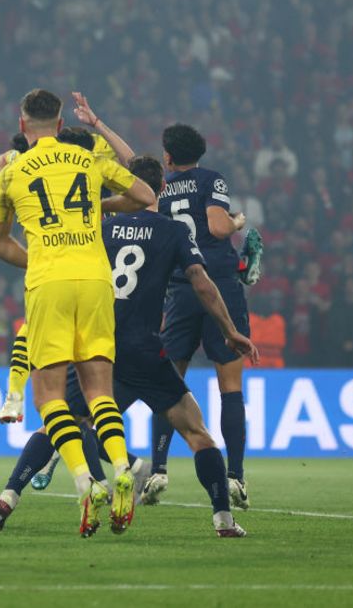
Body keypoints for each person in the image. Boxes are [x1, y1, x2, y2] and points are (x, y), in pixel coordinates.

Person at [0, 156, 258, 537]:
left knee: (59, 422)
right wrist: (230, 330)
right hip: (147, 350)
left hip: (103, 347)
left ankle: (7, 498)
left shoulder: (99, 227)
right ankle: (224, 521)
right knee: (198, 434)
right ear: (161, 190)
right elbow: (201, 282)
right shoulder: (174, 231)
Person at [0, 89, 155, 536]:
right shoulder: (89, 159)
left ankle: (85, 482)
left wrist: (39, 258)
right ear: (61, 125)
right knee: (99, 389)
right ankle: (121, 465)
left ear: (23, 126)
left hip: (49, 283)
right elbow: (143, 193)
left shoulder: (12, 170)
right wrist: (100, 208)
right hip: (98, 279)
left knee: (49, 396)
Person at [147, 124, 257, 509]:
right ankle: (235, 477)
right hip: (220, 286)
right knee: (230, 385)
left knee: (167, 381)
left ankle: (158, 469)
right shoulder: (212, 180)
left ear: (168, 157)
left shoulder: (159, 189)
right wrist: (239, 221)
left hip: (180, 289)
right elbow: (217, 225)